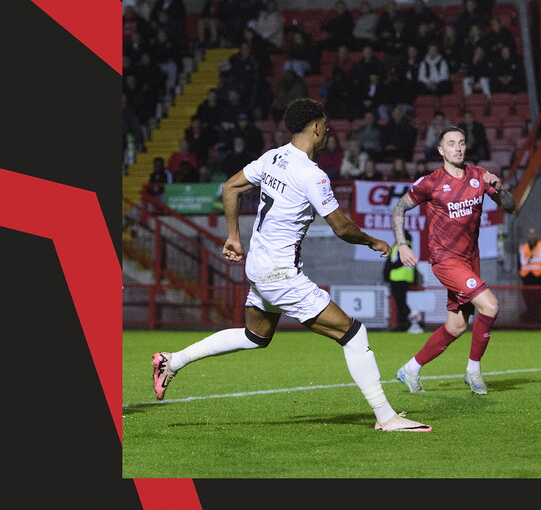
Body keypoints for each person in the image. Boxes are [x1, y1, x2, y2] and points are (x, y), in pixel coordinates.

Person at [150, 97, 431, 433]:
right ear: (315, 126)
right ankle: (386, 417)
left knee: (255, 335)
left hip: (258, 266)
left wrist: (233, 237)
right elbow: (341, 227)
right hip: (279, 274)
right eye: (326, 125)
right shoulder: (311, 174)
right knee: (354, 333)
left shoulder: (273, 158)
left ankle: (173, 361)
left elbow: (230, 187)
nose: (329, 131)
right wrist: (373, 241)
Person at [391, 125, 516, 395]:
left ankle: (409, 370)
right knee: (491, 306)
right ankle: (473, 371)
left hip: (471, 259)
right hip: (445, 260)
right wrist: (402, 245)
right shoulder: (431, 182)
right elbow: (399, 206)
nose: (457, 148)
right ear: (441, 150)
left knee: (457, 325)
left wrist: (501, 188)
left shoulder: (479, 176)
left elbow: (510, 206)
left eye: (461, 142)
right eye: (451, 143)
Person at [384, 229, 418, 332]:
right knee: (400, 303)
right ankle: (403, 324)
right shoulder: (404, 244)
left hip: (399, 277)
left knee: (401, 303)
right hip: (399, 277)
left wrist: (390, 268)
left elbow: (400, 261)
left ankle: (408, 322)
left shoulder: (404, 245)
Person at [518, 227, 541, 324]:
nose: (532, 236)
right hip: (526, 279)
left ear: (536, 235)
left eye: (533, 234)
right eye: (530, 234)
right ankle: (531, 321)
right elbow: (519, 263)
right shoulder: (523, 247)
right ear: (528, 235)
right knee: (528, 301)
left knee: (538, 301)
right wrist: (523, 275)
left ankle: (536, 321)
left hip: (538, 279)